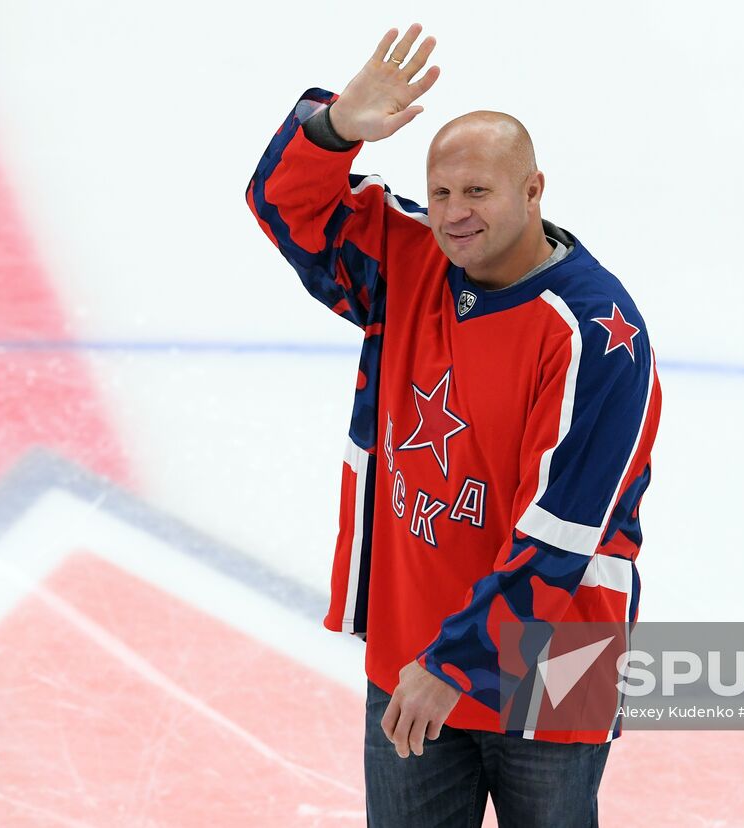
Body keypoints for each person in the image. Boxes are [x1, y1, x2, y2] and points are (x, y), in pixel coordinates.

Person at [246, 23, 662, 827]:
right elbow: (284, 207)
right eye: (440, 193)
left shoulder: (596, 333)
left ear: (534, 191)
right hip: (414, 659)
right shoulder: (410, 262)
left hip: (552, 667)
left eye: (478, 192)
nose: (453, 214)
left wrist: (456, 662)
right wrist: (331, 133)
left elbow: (562, 536)